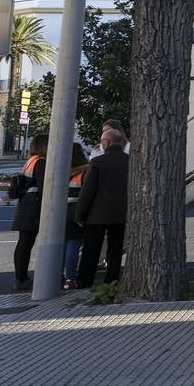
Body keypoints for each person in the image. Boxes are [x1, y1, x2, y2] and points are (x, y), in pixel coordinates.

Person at [75, 123, 130, 288]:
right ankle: (112, 280)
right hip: (121, 213)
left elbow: (88, 191)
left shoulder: (97, 162)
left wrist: (80, 214)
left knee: (91, 251)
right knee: (115, 250)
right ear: (121, 143)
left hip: (96, 214)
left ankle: (84, 281)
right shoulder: (131, 161)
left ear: (106, 143)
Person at [10, 134, 49, 291]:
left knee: (23, 243)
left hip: (25, 205)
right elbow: (43, 187)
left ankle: (20, 277)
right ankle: (22, 279)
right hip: (33, 207)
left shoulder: (30, 161)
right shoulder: (40, 162)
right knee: (26, 244)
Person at [61, 143, 90, 290]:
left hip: (60, 211)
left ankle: (58, 275)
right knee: (74, 244)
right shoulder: (84, 171)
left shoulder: (59, 169)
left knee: (62, 245)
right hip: (75, 209)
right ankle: (71, 278)